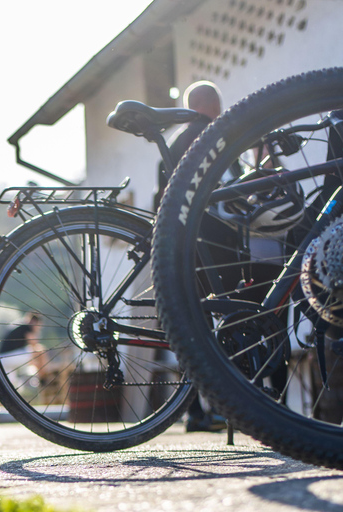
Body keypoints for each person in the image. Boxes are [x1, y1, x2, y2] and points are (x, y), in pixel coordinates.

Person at [161, 81, 229, 433]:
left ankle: (196, 411)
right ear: (210, 104)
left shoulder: (176, 141)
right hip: (203, 241)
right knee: (212, 324)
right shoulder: (207, 137)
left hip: (175, 245)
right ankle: (213, 408)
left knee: (190, 324)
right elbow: (223, 193)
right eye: (218, 103)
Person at [0, 313, 44, 385]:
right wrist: (36, 332)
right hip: (8, 357)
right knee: (39, 350)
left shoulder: (20, 325)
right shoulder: (26, 327)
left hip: (3, 359)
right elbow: (34, 343)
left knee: (12, 385)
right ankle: (43, 377)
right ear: (35, 322)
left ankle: (34, 374)